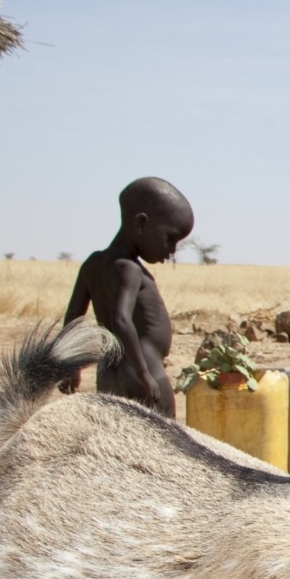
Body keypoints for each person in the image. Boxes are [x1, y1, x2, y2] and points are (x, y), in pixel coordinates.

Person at [63, 176, 193, 417]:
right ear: (141, 224)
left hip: (108, 371)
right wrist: (144, 374)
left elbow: (73, 317)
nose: (172, 250)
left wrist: (70, 365)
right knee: (164, 443)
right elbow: (122, 319)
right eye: (171, 238)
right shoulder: (130, 269)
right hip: (143, 367)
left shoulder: (92, 264)